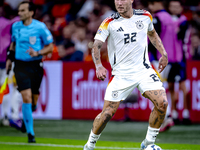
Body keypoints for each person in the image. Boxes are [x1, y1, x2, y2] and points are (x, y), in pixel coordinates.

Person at [83, 0, 169, 150]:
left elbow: (152, 34)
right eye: (117, 0)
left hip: (144, 70)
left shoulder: (145, 16)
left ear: (131, 0)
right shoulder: (109, 22)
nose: (119, 3)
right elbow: (96, 45)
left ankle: (149, 143)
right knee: (107, 114)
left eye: (123, 0)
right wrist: (99, 66)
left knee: (162, 103)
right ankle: (89, 145)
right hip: (121, 74)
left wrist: (164, 53)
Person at [6, 1, 53, 143]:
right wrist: (9, 58)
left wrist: (38, 52)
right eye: (19, 10)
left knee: (33, 101)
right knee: (25, 97)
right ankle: (30, 134)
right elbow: (13, 44)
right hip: (20, 66)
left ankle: (28, 118)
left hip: (35, 65)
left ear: (31, 12)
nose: (19, 13)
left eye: (22, 10)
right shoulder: (15, 27)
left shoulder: (40, 27)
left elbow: (50, 47)